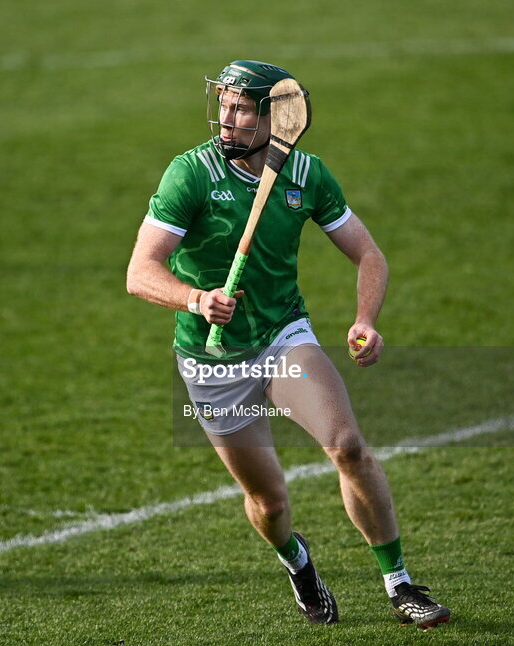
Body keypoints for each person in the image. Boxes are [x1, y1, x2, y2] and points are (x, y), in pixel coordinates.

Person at [126, 60, 450, 630]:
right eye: (222, 106)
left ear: (274, 118)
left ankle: (398, 584)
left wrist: (366, 319)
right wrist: (197, 300)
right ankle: (296, 561)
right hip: (210, 363)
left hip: (282, 341)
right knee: (270, 505)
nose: (225, 120)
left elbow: (369, 254)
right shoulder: (191, 175)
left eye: (241, 109)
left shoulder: (307, 174)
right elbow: (139, 272)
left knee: (347, 444)